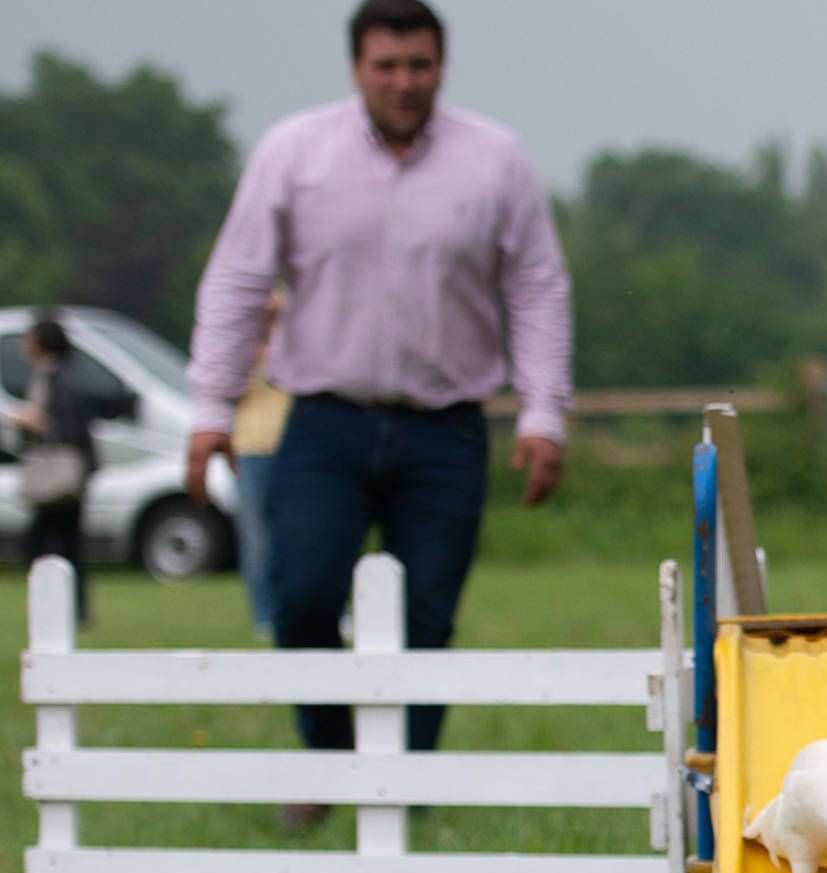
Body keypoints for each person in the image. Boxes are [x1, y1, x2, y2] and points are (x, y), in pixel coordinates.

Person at [185, 0, 572, 830]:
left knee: (427, 612)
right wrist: (209, 408)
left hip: (447, 427)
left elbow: (536, 285)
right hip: (324, 420)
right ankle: (328, 763)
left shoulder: (494, 159)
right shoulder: (294, 153)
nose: (403, 82)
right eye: (386, 66)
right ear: (357, 66)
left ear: (442, 66)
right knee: (301, 592)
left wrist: (544, 413)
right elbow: (237, 278)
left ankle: (404, 787)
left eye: (419, 65)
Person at [10, 316, 98, 624]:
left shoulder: (57, 378)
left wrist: (30, 421)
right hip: (65, 472)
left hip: (60, 473)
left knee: (50, 542)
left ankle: (69, 608)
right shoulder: (55, 375)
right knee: (63, 541)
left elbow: (66, 426)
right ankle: (74, 609)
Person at [232, 292, 291, 639]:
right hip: (251, 448)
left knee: (301, 533)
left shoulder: (295, 344)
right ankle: (265, 614)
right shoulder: (243, 349)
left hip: (292, 445)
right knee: (257, 538)